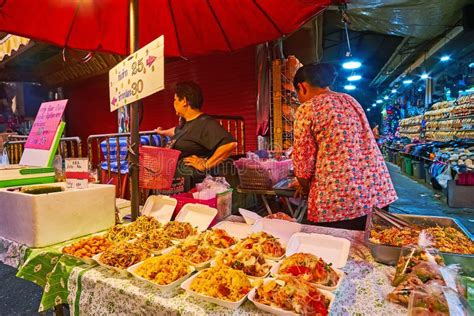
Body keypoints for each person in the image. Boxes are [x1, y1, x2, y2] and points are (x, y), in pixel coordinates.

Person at [290, 63, 397, 230]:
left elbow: (303, 166)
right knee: (370, 252)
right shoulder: (350, 100)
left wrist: (304, 187)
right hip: (378, 195)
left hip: (339, 205)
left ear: (302, 87)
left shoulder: (307, 109)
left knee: (337, 253)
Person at [155, 81, 237, 189]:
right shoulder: (186, 124)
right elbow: (176, 131)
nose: (173, 104)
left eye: (175, 100)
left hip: (193, 187)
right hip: (176, 184)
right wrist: (162, 132)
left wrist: (206, 164)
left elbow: (230, 144)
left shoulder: (205, 123)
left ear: (184, 101)